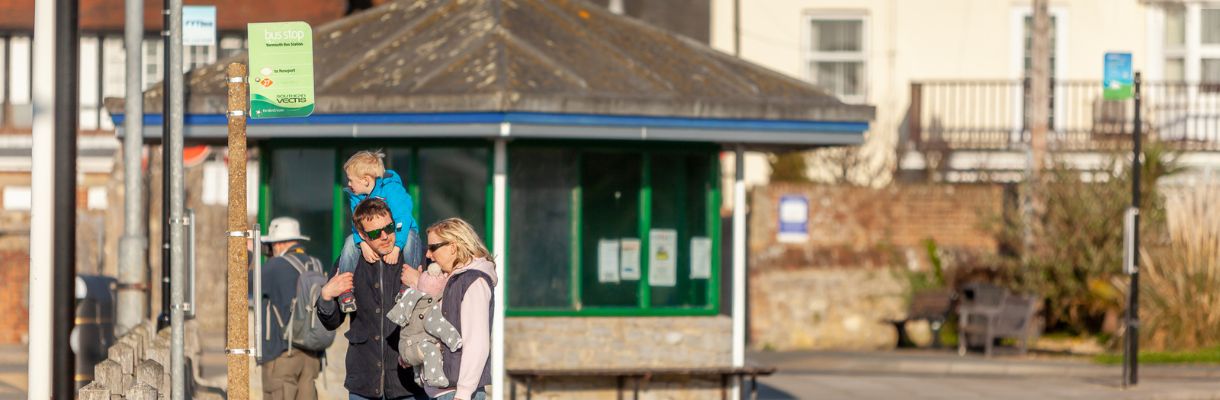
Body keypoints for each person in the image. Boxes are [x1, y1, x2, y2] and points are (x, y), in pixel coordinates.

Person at [317, 198, 429, 400]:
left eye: (389, 228)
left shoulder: (416, 256)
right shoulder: (350, 259)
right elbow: (332, 322)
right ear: (362, 236)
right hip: (364, 380)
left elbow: (441, 308)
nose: (385, 237)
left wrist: (421, 284)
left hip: (409, 382)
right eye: (376, 233)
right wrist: (326, 296)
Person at [416, 218, 497, 400]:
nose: (428, 254)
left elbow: (477, 342)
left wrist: (464, 393)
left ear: (453, 247)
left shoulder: (474, 281)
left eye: (433, 247)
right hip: (442, 390)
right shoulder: (451, 280)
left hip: (456, 393)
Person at [336, 150, 424, 312]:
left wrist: (397, 247)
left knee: (411, 239)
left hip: (402, 231)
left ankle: (408, 286)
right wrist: (362, 243)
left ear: (365, 180)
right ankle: (345, 289)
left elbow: (403, 218)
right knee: (350, 241)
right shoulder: (356, 196)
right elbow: (356, 224)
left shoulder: (391, 190)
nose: (348, 184)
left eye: (351, 180)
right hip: (369, 238)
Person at [252, 217, 324, 400]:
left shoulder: (276, 266)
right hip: (312, 355)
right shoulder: (315, 264)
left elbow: (243, 284)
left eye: (271, 245)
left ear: (279, 243)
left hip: (282, 353)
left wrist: (249, 252)